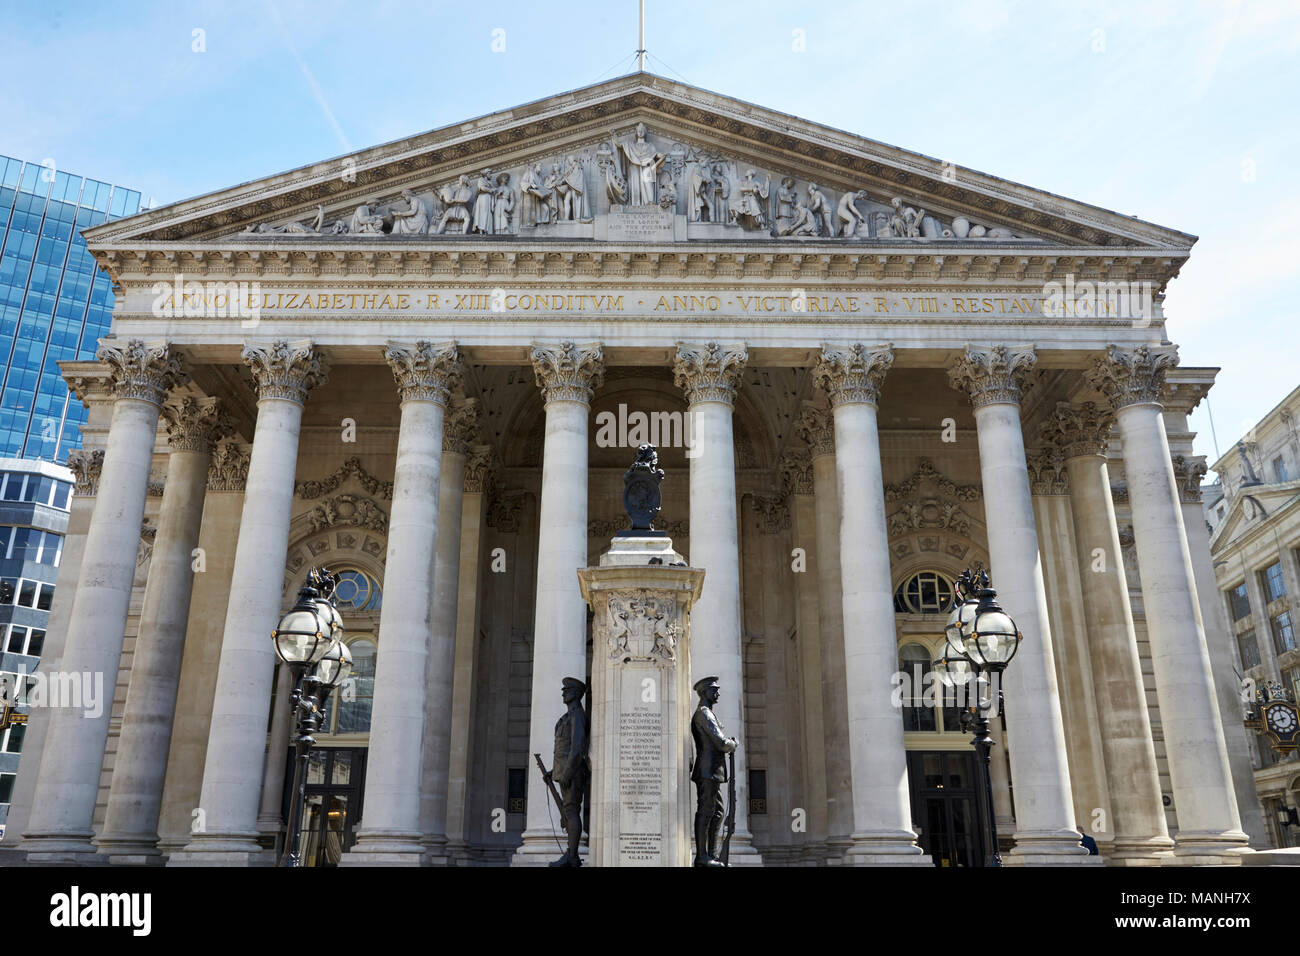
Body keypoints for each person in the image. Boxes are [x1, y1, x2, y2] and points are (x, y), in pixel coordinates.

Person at [691, 675, 737, 867]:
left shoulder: (708, 712)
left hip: (713, 771)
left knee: (717, 811)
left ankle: (711, 854)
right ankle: (702, 857)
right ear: (705, 692)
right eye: (714, 690)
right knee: (707, 810)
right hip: (707, 770)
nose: (718, 692)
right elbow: (720, 742)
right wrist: (732, 744)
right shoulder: (704, 714)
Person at [546, 676, 589, 867]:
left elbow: (577, 748)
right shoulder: (569, 716)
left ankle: (572, 856)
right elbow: (565, 750)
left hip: (573, 773)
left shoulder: (578, 715)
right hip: (566, 772)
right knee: (569, 811)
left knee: (571, 811)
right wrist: (553, 771)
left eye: (567, 690)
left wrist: (567, 773)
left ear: (575, 694)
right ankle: (572, 855)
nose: (563, 693)